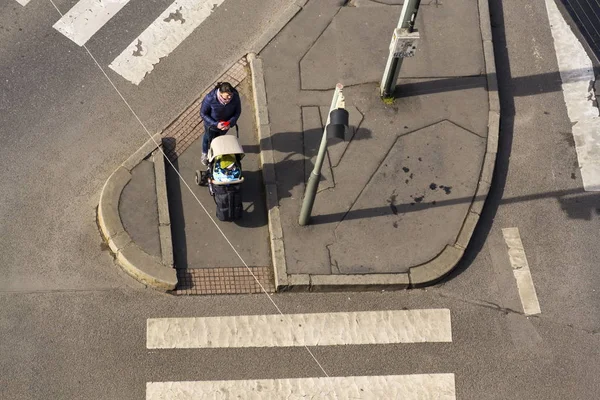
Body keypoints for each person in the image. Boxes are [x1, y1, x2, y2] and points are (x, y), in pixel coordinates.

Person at [199, 82, 242, 165]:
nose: (230, 97)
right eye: (227, 95)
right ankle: (204, 153)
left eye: (231, 94)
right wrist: (216, 124)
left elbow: (237, 112)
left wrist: (230, 123)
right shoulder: (210, 98)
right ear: (221, 93)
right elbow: (203, 113)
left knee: (219, 139)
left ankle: (217, 151)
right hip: (211, 126)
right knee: (207, 138)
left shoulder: (235, 96)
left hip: (225, 126)